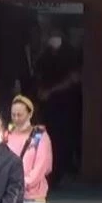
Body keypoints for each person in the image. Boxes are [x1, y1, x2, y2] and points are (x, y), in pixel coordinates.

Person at [35, 30, 82, 187]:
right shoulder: (44, 56)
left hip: (67, 105)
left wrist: (51, 90)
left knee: (64, 139)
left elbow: (74, 78)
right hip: (48, 107)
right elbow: (38, 75)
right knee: (48, 139)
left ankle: (61, 173)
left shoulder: (71, 55)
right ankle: (50, 174)